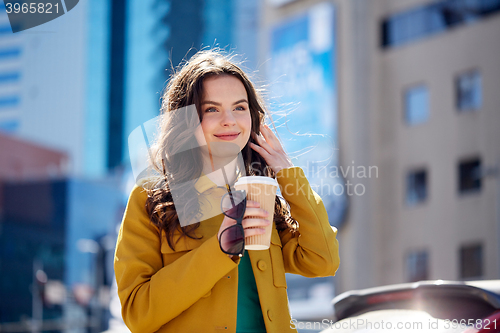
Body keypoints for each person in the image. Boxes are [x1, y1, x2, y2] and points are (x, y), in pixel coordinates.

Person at [114, 49, 340, 333]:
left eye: (239, 107)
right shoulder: (150, 199)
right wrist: (219, 250)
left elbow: (323, 261)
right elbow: (137, 313)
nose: (229, 120)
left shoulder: (262, 195)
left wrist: (287, 174)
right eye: (211, 109)